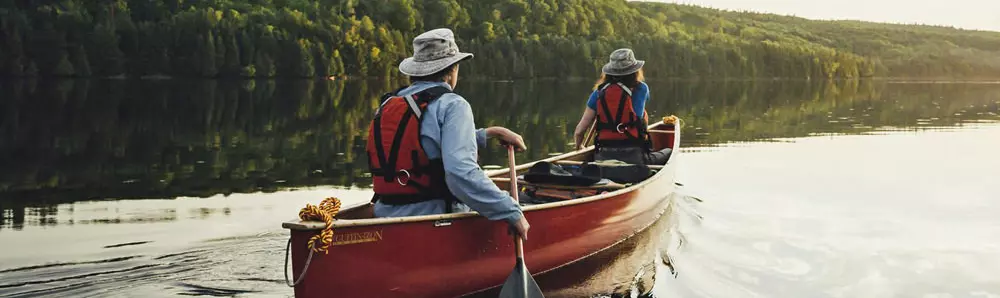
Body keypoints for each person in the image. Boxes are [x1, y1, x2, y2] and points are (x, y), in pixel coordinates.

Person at [365, 28, 530, 239]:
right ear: (452, 70)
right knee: (517, 200)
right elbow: (460, 174)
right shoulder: (453, 105)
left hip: (383, 215)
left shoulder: (388, 104)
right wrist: (511, 210)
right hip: (434, 219)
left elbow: (420, 142)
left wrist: (487, 134)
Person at [572, 48, 672, 165]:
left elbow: (579, 131)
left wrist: (579, 147)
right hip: (634, 159)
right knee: (669, 152)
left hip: (602, 158)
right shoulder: (641, 89)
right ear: (635, 70)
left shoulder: (598, 93)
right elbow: (640, 119)